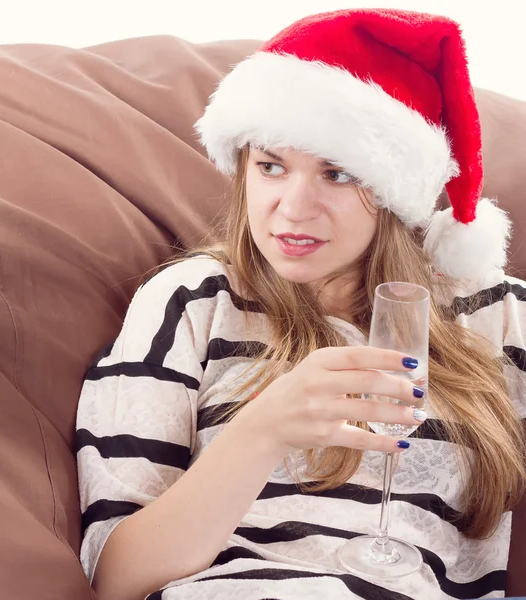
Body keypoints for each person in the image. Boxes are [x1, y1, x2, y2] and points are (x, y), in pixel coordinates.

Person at [75, 9, 526, 600]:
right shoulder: (193, 299)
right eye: (270, 167)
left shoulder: (496, 314)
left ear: (394, 192)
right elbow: (118, 577)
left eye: (336, 174)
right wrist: (262, 431)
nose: (292, 207)